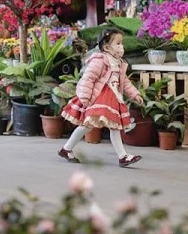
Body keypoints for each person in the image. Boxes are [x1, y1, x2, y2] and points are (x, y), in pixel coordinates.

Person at [58, 27, 144, 167]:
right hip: (100, 97)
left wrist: (134, 93)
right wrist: (85, 98)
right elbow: (88, 78)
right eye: (117, 43)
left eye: (121, 43)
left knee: (112, 126)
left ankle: (122, 156)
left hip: (113, 97)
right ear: (106, 47)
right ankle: (66, 149)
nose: (121, 46)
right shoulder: (100, 60)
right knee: (88, 126)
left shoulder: (119, 62)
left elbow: (125, 81)